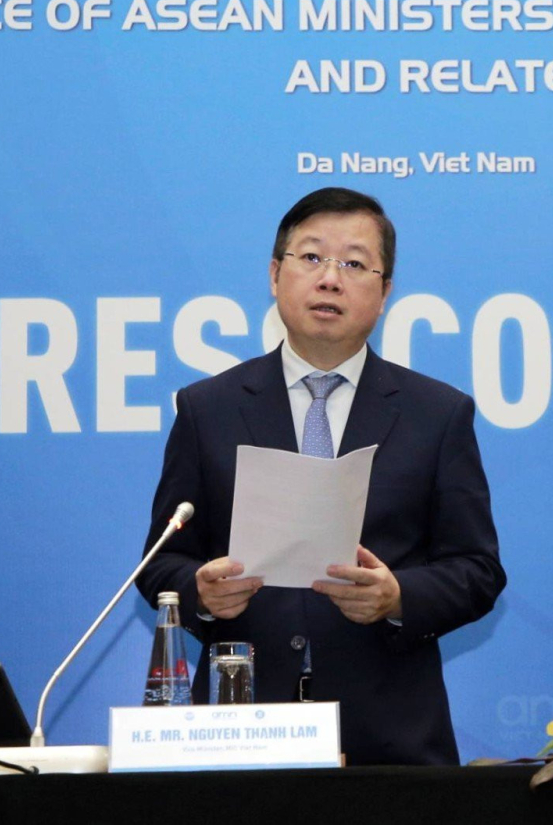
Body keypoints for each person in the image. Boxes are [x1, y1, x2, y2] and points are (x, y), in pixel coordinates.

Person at [137, 187, 505, 765]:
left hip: (390, 742)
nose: (330, 279)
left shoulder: (438, 414)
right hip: (243, 734)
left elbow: (478, 571)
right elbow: (159, 563)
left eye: (354, 264)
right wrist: (200, 593)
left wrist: (397, 596)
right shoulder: (208, 409)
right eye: (311, 258)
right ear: (275, 274)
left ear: (384, 294)